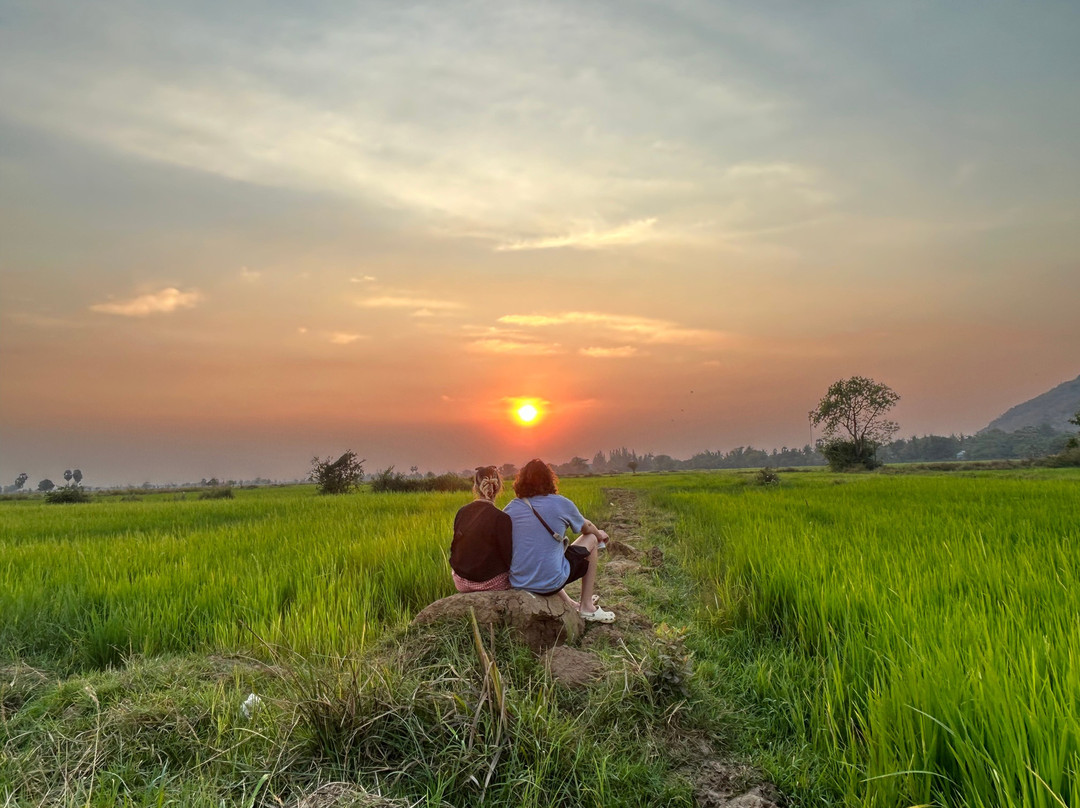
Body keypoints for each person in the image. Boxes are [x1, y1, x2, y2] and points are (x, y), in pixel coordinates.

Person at [505, 458, 614, 622]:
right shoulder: (561, 503)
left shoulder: (511, 508)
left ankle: (571, 603)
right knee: (590, 538)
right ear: (549, 480)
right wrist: (600, 535)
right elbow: (587, 527)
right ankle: (586, 607)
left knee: (547, 556)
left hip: (519, 582)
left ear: (521, 482)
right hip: (549, 582)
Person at [449, 466, 513, 592]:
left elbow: (454, 546)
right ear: (498, 487)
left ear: (476, 487)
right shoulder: (502, 518)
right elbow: (508, 557)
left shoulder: (462, 512)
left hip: (460, 581)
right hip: (489, 584)